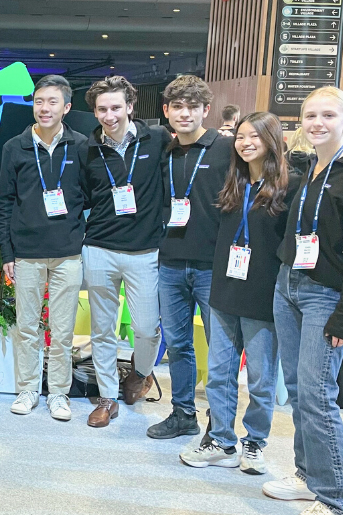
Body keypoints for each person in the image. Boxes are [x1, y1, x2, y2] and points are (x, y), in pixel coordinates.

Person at [263, 87, 343, 515]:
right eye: (310, 115)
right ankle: (308, 475)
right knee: (297, 391)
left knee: (316, 396)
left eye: (328, 115)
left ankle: (336, 499)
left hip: (323, 297)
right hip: (287, 286)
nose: (317, 123)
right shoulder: (312, 165)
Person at [180, 112, 298, 474]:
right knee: (220, 372)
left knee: (261, 378)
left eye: (255, 137)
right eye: (241, 136)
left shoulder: (290, 186)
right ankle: (221, 441)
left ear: (271, 140)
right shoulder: (232, 181)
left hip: (263, 295)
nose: (246, 143)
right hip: (225, 290)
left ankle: (254, 442)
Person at [0, 75, 88, 422]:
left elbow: (90, 197)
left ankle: (59, 393)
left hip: (68, 252)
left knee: (62, 331)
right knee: (27, 326)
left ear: (66, 107)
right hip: (27, 252)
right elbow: (4, 203)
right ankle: (28, 388)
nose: (44, 108)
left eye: (52, 102)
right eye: (38, 101)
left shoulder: (80, 146)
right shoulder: (15, 147)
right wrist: (7, 253)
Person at [81, 75, 172, 428]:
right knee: (103, 329)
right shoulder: (87, 149)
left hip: (145, 250)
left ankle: (140, 373)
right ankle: (107, 397)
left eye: (116, 107)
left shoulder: (158, 139)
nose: (109, 115)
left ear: (131, 107)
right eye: (102, 109)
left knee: (147, 329)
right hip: (99, 247)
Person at [148, 75, 234, 440]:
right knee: (179, 343)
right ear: (166, 111)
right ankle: (183, 413)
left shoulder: (225, 149)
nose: (185, 114)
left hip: (212, 265)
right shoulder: (163, 151)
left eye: (193, 107)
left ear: (206, 110)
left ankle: (221, 423)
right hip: (170, 262)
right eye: (178, 107)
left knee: (221, 349)